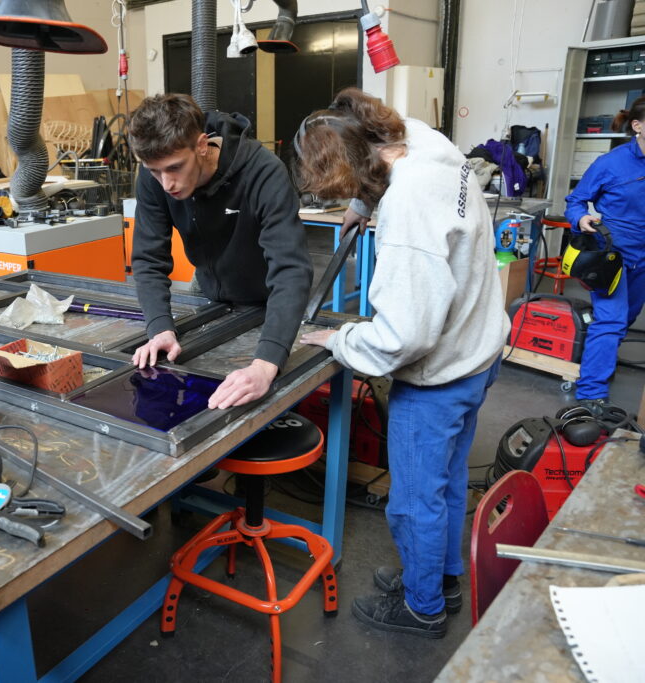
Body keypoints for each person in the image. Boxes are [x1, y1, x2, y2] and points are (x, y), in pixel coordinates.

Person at [295, 88, 510, 638]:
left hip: (438, 377)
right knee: (447, 479)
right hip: (479, 352)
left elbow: (402, 338)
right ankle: (442, 580)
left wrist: (339, 342)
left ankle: (423, 609)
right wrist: (361, 205)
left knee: (414, 502)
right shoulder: (428, 145)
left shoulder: (408, 210)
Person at [127, 93, 313, 409]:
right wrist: (160, 327)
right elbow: (148, 258)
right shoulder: (154, 177)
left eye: (174, 168)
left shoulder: (263, 172)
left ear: (202, 145)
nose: (166, 183)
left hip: (267, 297)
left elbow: (291, 270)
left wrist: (266, 364)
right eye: (155, 170)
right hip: (208, 291)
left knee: (263, 396)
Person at [563, 95, 645, 415]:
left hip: (643, 259)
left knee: (624, 320)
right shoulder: (610, 164)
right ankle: (591, 393)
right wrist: (580, 218)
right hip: (612, 257)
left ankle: (601, 363)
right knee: (610, 321)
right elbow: (576, 201)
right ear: (637, 126)